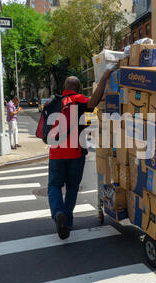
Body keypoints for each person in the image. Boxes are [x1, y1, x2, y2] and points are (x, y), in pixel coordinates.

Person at [48, 69, 113, 240]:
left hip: (56, 152)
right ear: (78, 89)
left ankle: (58, 213)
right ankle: (67, 220)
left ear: (64, 87)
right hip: (76, 152)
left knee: (54, 186)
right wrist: (104, 77)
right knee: (72, 187)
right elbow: (93, 102)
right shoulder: (77, 99)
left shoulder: (55, 101)